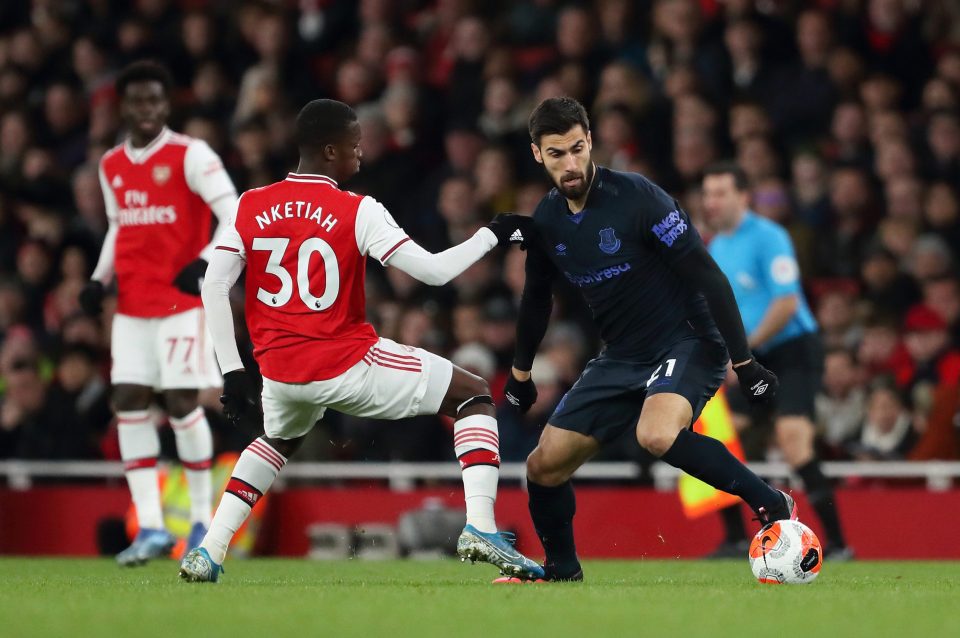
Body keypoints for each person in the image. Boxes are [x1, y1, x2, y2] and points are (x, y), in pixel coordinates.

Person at [179, 99, 541, 583]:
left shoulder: (251, 204)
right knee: (473, 393)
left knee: (277, 439)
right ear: (330, 149)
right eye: (354, 143)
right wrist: (494, 234)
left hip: (280, 373)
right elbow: (432, 272)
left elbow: (214, 285)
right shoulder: (358, 209)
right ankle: (480, 526)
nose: (362, 152)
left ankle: (208, 551)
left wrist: (232, 370)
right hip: (346, 362)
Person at [501, 97, 795, 583]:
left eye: (577, 148)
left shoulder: (639, 198)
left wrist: (744, 364)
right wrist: (521, 373)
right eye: (557, 154)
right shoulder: (547, 222)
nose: (571, 163)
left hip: (688, 340)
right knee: (542, 466)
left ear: (591, 141)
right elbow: (536, 299)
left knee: (655, 433)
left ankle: (768, 499)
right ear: (537, 155)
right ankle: (562, 571)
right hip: (621, 355)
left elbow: (707, 275)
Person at [78, 61, 237, 566]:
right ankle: (148, 525)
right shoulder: (110, 165)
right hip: (131, 305)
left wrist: (206, 260)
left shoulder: (192, 154)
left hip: (180, 303)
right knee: (127, 397)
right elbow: (117, 227)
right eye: (138, 101)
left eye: (155, 101)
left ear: (166, 106)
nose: (147, 109)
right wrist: (97, 279)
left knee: (180, 401)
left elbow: (234, 210)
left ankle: (196, 521)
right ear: (122, 106)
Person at [702, 161, 851, 559]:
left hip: (792, 350)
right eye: (708, 193)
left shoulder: (770, 237)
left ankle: (839, 543)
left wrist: (743, 352)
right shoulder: (717, 245)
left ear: (742, 196)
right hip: (751, 355)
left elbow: (786, 304)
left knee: (793, 440)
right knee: (720, 435)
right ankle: (737, 537)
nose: (711, 202)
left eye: (720, 193)